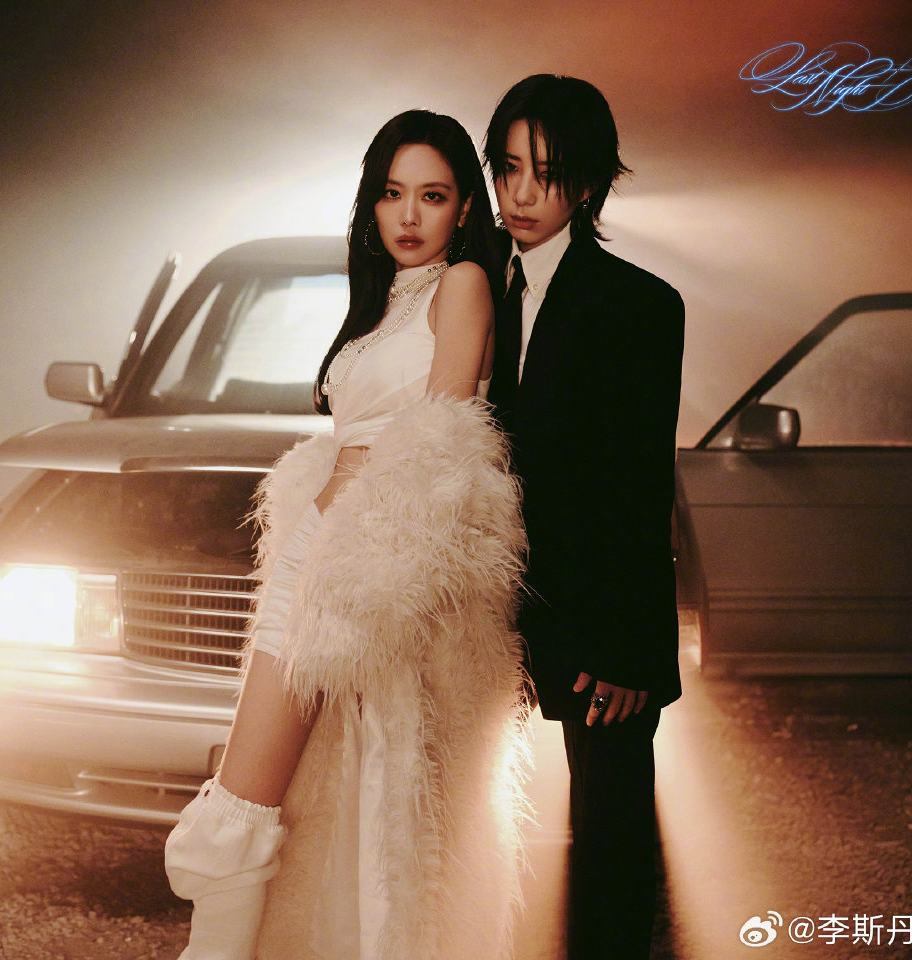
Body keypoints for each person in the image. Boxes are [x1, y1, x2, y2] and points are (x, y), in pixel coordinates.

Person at [164, 110, 531, 960]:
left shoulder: (462, 285)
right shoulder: (379, 304)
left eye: (432, 196)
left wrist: (363, 552)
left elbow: (443, 438)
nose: (409, 215)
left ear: (463, 209)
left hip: (374, 564)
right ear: (371, 205)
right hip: (318, 548)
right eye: (392, 194)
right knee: (281, 796)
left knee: (296, 796)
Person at [483, 74, 685, 959]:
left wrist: (633, 650)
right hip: (483, 605)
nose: (522, 194)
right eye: (508, 169)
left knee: (610, 837)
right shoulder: (472, 285)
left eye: (548, 173)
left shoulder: (640, 304)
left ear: (591, 183)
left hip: (597, 616)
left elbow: (640, 487)